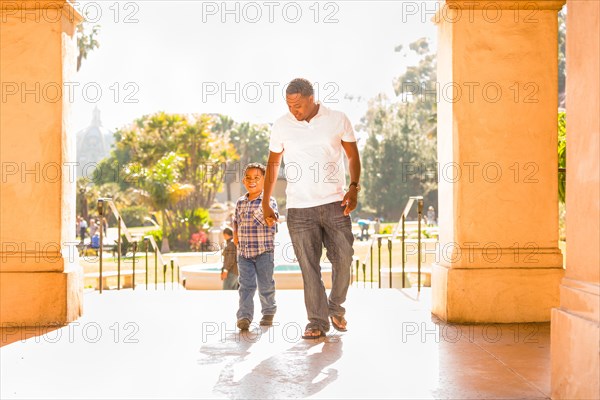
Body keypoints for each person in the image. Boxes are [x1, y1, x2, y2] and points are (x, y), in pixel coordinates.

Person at [262, 78, 360, 339]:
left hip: (334, 203)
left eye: (298, 105)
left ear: (312, 98)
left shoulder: (338, 119)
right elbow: (272, 165)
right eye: (289, 105)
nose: (294, 110)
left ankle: (336, 306)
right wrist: (264, 201)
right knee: (309, 266)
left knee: (345, 257)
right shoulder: (282, 125)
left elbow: (352, 156)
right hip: (299, 208)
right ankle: (316, 321)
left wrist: (354, 187)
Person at [234, 163, 279, 330]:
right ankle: (244, 316)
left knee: (266, 284)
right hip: (244, 253)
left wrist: (269, 217)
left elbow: (270, 219)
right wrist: (235, 235)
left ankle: (268, 311)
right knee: (245, 286)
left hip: (264, 252)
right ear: (244, 180)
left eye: (256, 178)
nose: (251, 181)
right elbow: (236, 221)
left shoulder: (268, 201)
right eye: (248, 177)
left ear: (265, 181)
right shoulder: (240, 202)